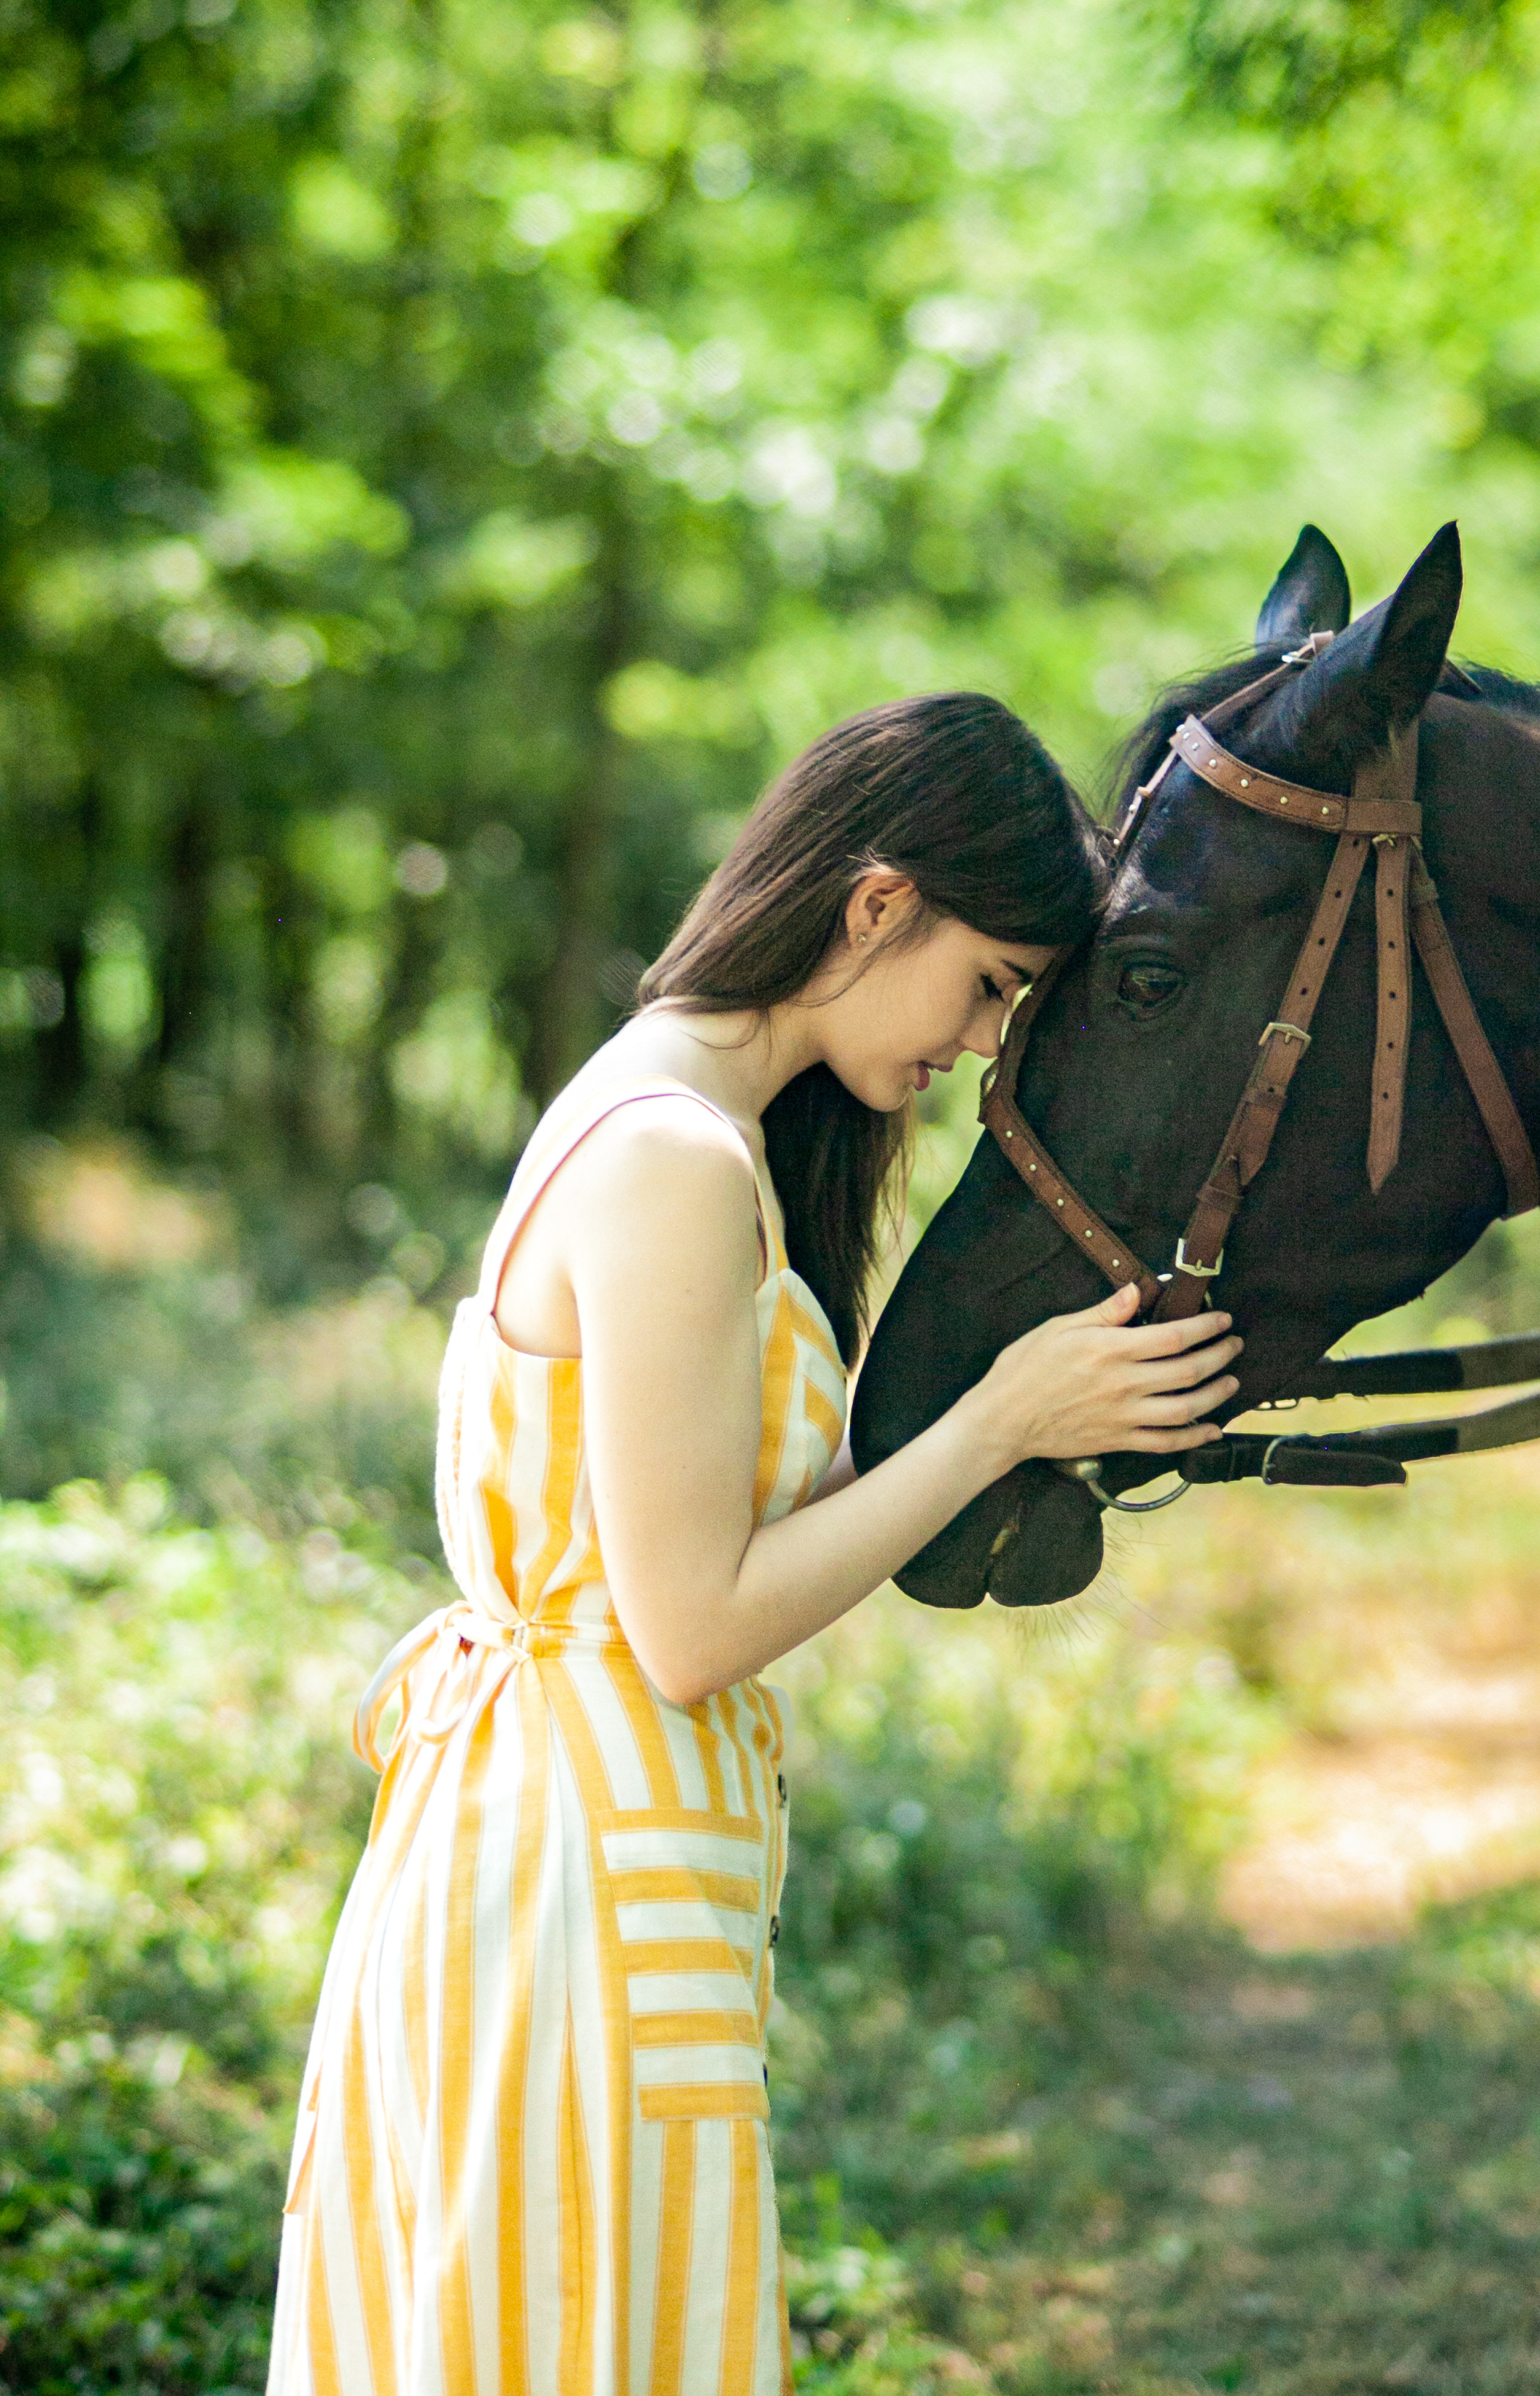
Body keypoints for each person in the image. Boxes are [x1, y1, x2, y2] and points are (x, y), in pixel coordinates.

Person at [268, 692, 1241, 2396]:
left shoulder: (701, 1134)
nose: (981, 1036)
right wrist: (1000, 1418)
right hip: (567, 1883)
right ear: (877, 905)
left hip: (594, 1856)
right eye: (991, 981)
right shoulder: (672, 1160)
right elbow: (690, 1630)